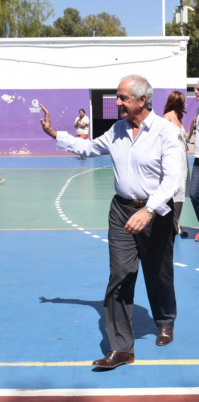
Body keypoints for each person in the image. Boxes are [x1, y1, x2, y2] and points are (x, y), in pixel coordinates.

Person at [40, 74, 181, 369]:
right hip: (120, 211)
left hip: (155, 213)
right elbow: (88, 148)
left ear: (142, 100)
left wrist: (148, 210)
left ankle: (165, 320)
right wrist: (54, 134)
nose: (117, 103)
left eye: (122, 98)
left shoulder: (165, 132)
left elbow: (172, 179)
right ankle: (121, 349)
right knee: (120, 274)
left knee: (159, 273)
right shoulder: (117, 129)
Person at [163, 91, 190, 237]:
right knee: (173, 189)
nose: (185, 104)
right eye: (183, 101)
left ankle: (177, 222)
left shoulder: (179, 118)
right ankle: (169, 222)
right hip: (173, 158)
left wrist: (192, 127)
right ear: (177, 102)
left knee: (181, 190)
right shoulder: (167, 118)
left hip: (183, 158)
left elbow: (185, 138)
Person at [188, 80, 199, 241]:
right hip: (197, 158)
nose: (195, 91)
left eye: (198, 89)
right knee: (193, 194)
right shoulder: (198, 109)